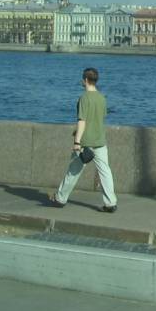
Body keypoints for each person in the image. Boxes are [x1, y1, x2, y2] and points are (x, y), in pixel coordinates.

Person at [49, 67, 118, 212]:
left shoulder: (84, 98)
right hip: (100, 141)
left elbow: (82, 121)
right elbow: (99, 118)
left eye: (83, 78)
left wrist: (77, 141)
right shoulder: (102, 98)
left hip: (85, 143)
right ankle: (111, 203)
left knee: (73, 171)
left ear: (85, 80)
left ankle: (60, 198)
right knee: (105, 172)